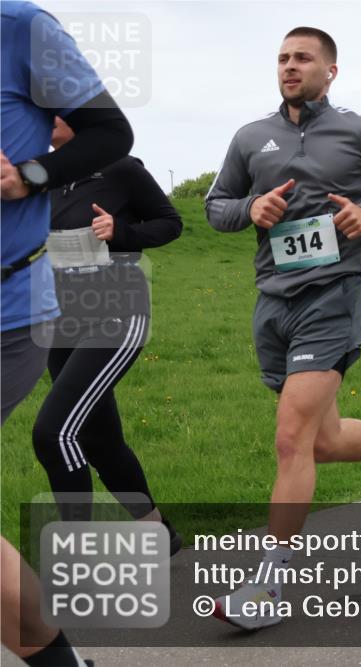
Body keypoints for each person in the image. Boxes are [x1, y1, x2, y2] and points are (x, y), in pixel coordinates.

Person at [205, 26, 361, 630]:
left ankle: (269, 586)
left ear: (330, 70)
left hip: (333, 296)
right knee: (320, 442)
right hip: (272, 302)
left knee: (290, 441)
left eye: (303, 58)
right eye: (283, 57)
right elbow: (215, 206)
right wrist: (250, 209)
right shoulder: (250, 137)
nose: (290, 66)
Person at [2, 3, 134, 664]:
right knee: (86, 433)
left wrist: (30, 176)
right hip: (66, 308)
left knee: (61, 431)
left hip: (77, 308)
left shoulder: (20, 27)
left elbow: (167, 222)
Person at [30, 117, 183, 550]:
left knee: (54, 433)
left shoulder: (121, 168)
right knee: (99, 439)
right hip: (62, 320)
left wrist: (121, 232)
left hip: (117, 312)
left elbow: (170, 223)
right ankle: (157, 532)